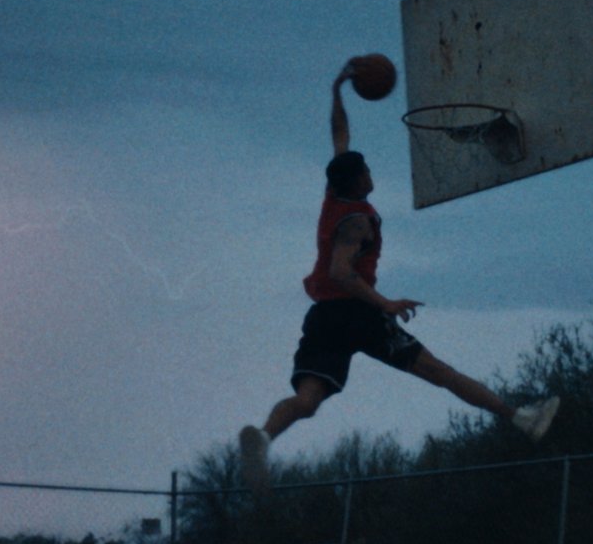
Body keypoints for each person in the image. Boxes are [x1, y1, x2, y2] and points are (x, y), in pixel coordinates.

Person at [237, 63, 559, 495]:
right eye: (366, 171)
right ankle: (521, 418)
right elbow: (339, 271)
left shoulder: (335, 193)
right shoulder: (357, 222)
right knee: (439, 371)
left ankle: (263, 437)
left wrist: (338, 91)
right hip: (358, 313)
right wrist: (384, 303)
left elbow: (339, 137)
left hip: (323, 317)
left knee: (307, 400)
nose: (371, 174)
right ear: (358, 180)